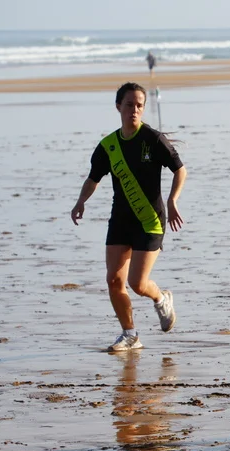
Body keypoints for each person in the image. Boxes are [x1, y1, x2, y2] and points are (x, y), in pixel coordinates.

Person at [70, 82, 185, 352]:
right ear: (118, 106)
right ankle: (130, 334)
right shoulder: (108, 146)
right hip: (121, 220)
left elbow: (180, 170)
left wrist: (173, 200)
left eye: (139, 105)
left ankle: (161, 298)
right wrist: (81, 201)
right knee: (113, 280)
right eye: (129, 104)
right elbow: (93, 178)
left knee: (137, 283)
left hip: (150, 220)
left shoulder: (153, 139)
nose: (134, 109)